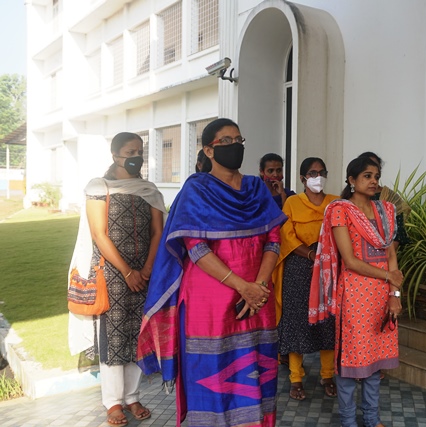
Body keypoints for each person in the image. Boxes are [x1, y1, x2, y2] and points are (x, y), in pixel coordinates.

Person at [137, 118, 288, 427]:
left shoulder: (256, 188)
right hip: (211, 298)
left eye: (238, 140)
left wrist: (259, 285)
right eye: (226, 141)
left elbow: (273, 238)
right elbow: (196, 247)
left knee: (256, 367)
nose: (235, 146)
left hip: (258, 297)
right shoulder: (197, 189)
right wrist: (242, 286)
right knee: (215, 368)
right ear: (208, 150)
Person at [68, 132, 166, 427]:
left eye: (139, 151)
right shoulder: (99, 187)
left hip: (144, 273)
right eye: (129, 152)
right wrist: (127, 272)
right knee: (113, 336)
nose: (136, 157)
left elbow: (157, 232)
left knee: (138, 333)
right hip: (112, 274)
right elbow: (99, 234)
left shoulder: (149, 189)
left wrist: (147, 268)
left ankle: (132, 397)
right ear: (115, 155)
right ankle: (113, 402)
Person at [309, 156, 403, 427]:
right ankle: (349, 422)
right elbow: (349, 260)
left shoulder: (386, 210)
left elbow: (391, 256)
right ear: (352, 180)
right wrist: (389, 276)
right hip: (355, 292)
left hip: (383, 293)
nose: (373, 181)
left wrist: (394, 295)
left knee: (376, 359)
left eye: (376, 176)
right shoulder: (341, 210)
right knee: (351, 360)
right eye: (367, 176)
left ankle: (372, 419)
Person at [273, 157, 339, 401]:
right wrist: (312, 255)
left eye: (322, 172)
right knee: (296, 321)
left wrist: (324, 258)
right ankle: (296, 378)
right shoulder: (292, 203)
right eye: (312, 173)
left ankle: (327, 375)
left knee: (328, 319)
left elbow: (343, 233)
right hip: (299, 267)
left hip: (328, 268)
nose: (317, 177)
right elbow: (286, 235)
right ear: (302, 178)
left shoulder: (335, 203)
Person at [358, 152, 410, 251]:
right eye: (367, 174)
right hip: (353, 255)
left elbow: (397, 235)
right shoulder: (347, 203)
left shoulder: (391, 199)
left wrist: (383, 257)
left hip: (384, 255)